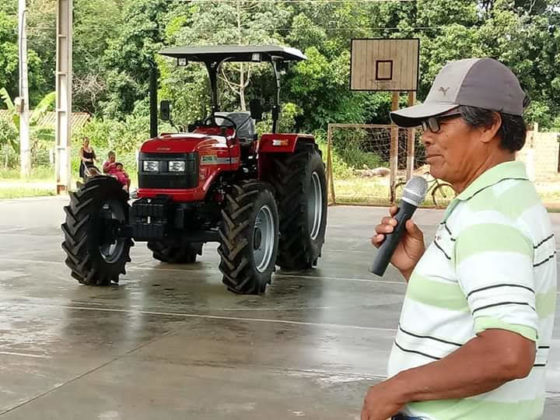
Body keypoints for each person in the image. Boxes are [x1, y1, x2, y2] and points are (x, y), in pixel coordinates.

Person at [362, 58, 556, 420]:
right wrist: (416, 270)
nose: (427, 135)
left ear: (489, 126)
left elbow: (507, 352)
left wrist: (396, 389)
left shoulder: (490, 217)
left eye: (439, 121)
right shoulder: (506, 201)